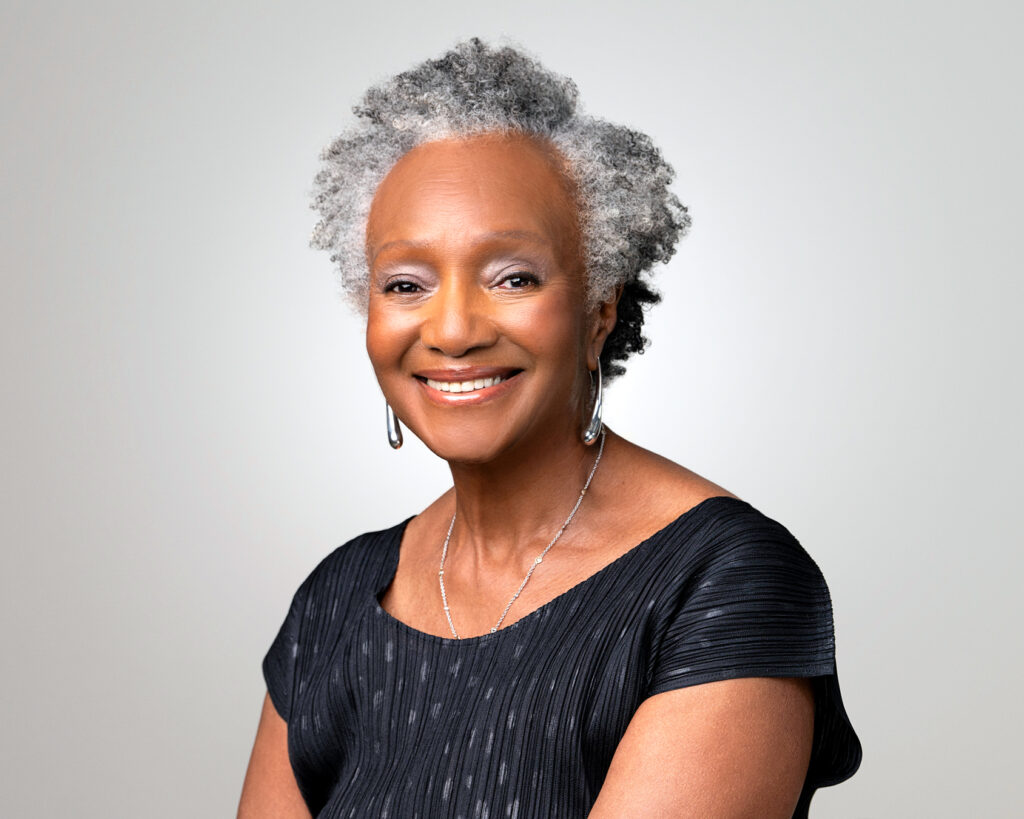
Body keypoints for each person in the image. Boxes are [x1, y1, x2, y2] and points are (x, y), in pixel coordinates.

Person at [238, 39, 861, 818]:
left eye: (513, 277)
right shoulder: (334, 603)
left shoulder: (723, 582)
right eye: (405, 284)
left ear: (599, 308)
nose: (453, 329)